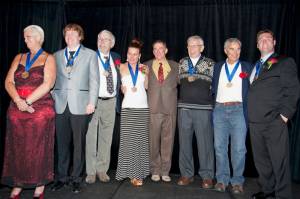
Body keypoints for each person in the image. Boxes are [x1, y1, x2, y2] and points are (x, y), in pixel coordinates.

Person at [1, 25, 56, 199]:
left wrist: (27, 101)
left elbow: (48, 84)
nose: (25, 40)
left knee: (37, 147)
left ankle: (39, 183)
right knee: (17, 148)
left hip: (40, 108)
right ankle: (18, 182)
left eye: (29, 37)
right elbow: (8, 82)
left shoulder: (49, 58)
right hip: (17, 108)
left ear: (39, 38)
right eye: (25, 37)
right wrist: (18, 101)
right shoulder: (19, 57)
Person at [248, 29, 300, 199]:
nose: (264, 41)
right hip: (255, 122)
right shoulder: (255, 66)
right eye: (260, 39)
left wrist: (284, 117)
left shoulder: (284, 62)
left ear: (274, 42)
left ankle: (283, 195)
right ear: (257, 45)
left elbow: (293, 90)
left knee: (279, 163)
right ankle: (267, 190)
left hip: (274, 122)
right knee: (262, 162)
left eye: (268, 38)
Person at [51, 23, 100, 193]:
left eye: (73, 34)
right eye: (67, 35)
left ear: (80, 37)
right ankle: (62, 177)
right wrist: (52, 96)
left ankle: (77, 178)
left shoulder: (90, 55)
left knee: (79, 144)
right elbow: (51, 79)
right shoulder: (56, 55)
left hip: (81, 105)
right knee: (61, 144)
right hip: (60, 105)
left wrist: (92, 102)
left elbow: (95, 80)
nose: (69, 37)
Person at [211, 38, 251, 194]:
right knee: (219, 148)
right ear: (225, 50)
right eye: (232, 49)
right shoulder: (217, 67)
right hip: (220, 109)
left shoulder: (247, 67)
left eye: (238, 49)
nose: (236, 52)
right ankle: (221, 180)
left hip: (239, 110)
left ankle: (237, 181)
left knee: (239, 149)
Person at [177, 35, 215, 188]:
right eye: (189, 45)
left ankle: (207, 176)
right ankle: (186, 174)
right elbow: (179, 82)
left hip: (203, 109)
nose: (192, 48)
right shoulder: (182, 62)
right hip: (184, 108)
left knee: (205, 143)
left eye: (195, 45)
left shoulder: (210, 63)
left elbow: (215, 85)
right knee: (184, 143)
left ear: (202, 47)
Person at [85, 30, 121, 184]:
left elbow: (121, 76)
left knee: (106, 137)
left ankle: (102, 170)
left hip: (111, 101)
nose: (102, 42)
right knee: (91, 137)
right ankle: (91, 171)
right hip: (94, 102)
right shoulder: (90, 57)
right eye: (99, 39)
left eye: (105, 40)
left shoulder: (116, 57)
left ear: (111, 43)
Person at [115, 39, 150, 186]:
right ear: (127, 54)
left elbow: (146, 87)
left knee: (140, 142)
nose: (132, 57)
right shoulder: (121, 67)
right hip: (128, 108)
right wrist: (121, 88)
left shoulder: (144, 68)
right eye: (130, 54)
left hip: (142, 108)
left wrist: (146, 74)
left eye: (135, 54)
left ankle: (138, 173)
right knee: (128, 142)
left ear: (139, 55)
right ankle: (128, 173)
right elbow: (116, 86)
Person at [144, 40, 178, 182]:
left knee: (168, 141)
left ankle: (165, 170)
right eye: (155, 49)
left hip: (169, 109)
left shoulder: (176, 66)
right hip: (153, 108)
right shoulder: (145, 65)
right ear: (153, 51)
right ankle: (155, 170)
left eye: (161, 49)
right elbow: (136, 83)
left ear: (166, 50)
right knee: (153, 142)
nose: (158, 51)